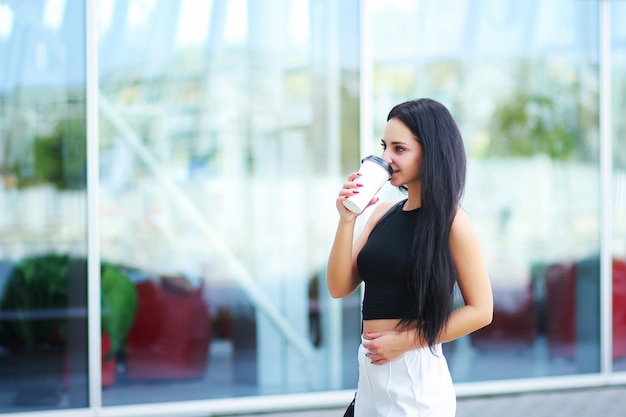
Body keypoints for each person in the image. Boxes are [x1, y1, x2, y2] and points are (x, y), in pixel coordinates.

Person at [327, 98, 493, 417]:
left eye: (399, 149)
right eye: (384, 146)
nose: (386, 158)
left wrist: (403, 342)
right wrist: (346, 219)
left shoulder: (452, 221)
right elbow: (338, 287)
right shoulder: (380, 212)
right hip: (371, 374)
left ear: (430, 153)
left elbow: (482, 310)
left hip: (414, 376)